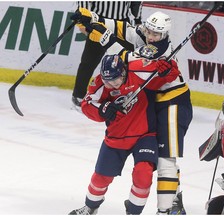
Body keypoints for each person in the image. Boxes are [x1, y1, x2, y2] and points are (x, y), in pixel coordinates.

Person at [70, 9, 193, 215]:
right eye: (149, 32)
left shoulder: (161, 54)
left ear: (165, 35)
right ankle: (173, 199)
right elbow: (125, 29)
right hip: (152, 100)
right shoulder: (146, 37)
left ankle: (168, 207)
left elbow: (127, 59)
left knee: (164, 158)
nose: (151, 37)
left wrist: (103, 37)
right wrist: (94, 19)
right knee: (161, 156)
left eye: (156, 34)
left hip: (172, 101)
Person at [68, 54, 181, 215]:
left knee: (143, 174)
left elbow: (169, 74)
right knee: (101, 177)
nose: (112, 85)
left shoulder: (139, 72)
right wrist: (103, 109)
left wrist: (167, 67)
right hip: (116, 137)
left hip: (145, 135)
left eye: (115, 80)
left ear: (123, 72)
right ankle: (90, 207)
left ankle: (133, 213)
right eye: (108, 82)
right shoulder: (100, 83)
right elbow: (87, 104)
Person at [71, 1, 143, 111]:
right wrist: (84, 18)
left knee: (128, 63)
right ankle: (78, 95)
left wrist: (138, 19)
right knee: (89, 61)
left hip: (122, 26)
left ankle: (127, 95)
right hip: (99, 23)